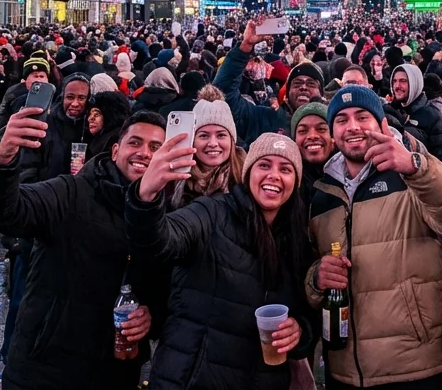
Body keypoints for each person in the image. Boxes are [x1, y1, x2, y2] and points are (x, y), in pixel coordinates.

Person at [0, 109, 161, 389]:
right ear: (115, 150)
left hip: (116, 370)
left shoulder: (166, 213)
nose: (144, 153)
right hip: (46, 369)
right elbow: (4, 212)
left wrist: (152, 316)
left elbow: (168, 286)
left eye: (156, 147)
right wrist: (1, 158)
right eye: (135, 142)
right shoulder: (71, 192)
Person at [309, 85, 442, 388]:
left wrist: (416, 167)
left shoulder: (411, 172)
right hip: (346, 373)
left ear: (381, 124)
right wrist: (315, 278)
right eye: (342, 120)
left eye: (362, 117)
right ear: (333, 134)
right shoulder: (322, 194)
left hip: (416, 368)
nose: (353, 127)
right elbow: (308, 271)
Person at [126, 129, 316, 390]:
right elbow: (163, 240)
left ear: (295, 181)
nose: (274, 175)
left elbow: (306, 313)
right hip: (190, 379)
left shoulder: (297, 240)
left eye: (286, 169)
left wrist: (300, 331)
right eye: (264, 165)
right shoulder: (212, 212)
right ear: (248, 173)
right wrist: (146, 198)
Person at [216, 20, 324, 146]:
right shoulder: (264, 119)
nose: (303, 87)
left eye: (311, 84)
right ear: (287, 94)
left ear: (321, 93)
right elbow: (223, 93)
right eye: (297, 83)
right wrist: (245, 47)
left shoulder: (333, 124)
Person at [164, 86, 243, 210]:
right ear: (193, 140)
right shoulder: (172, 180)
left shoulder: (246, 180)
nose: (212, 143)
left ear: (232, 141)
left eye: (221, 135)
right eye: (204, 135)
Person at [385, 64, 442, 158]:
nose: (397, 86)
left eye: (403, 81)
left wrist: (404, 129)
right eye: (394, 81)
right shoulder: (390, 111)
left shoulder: (434, 118)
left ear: (415, 83)